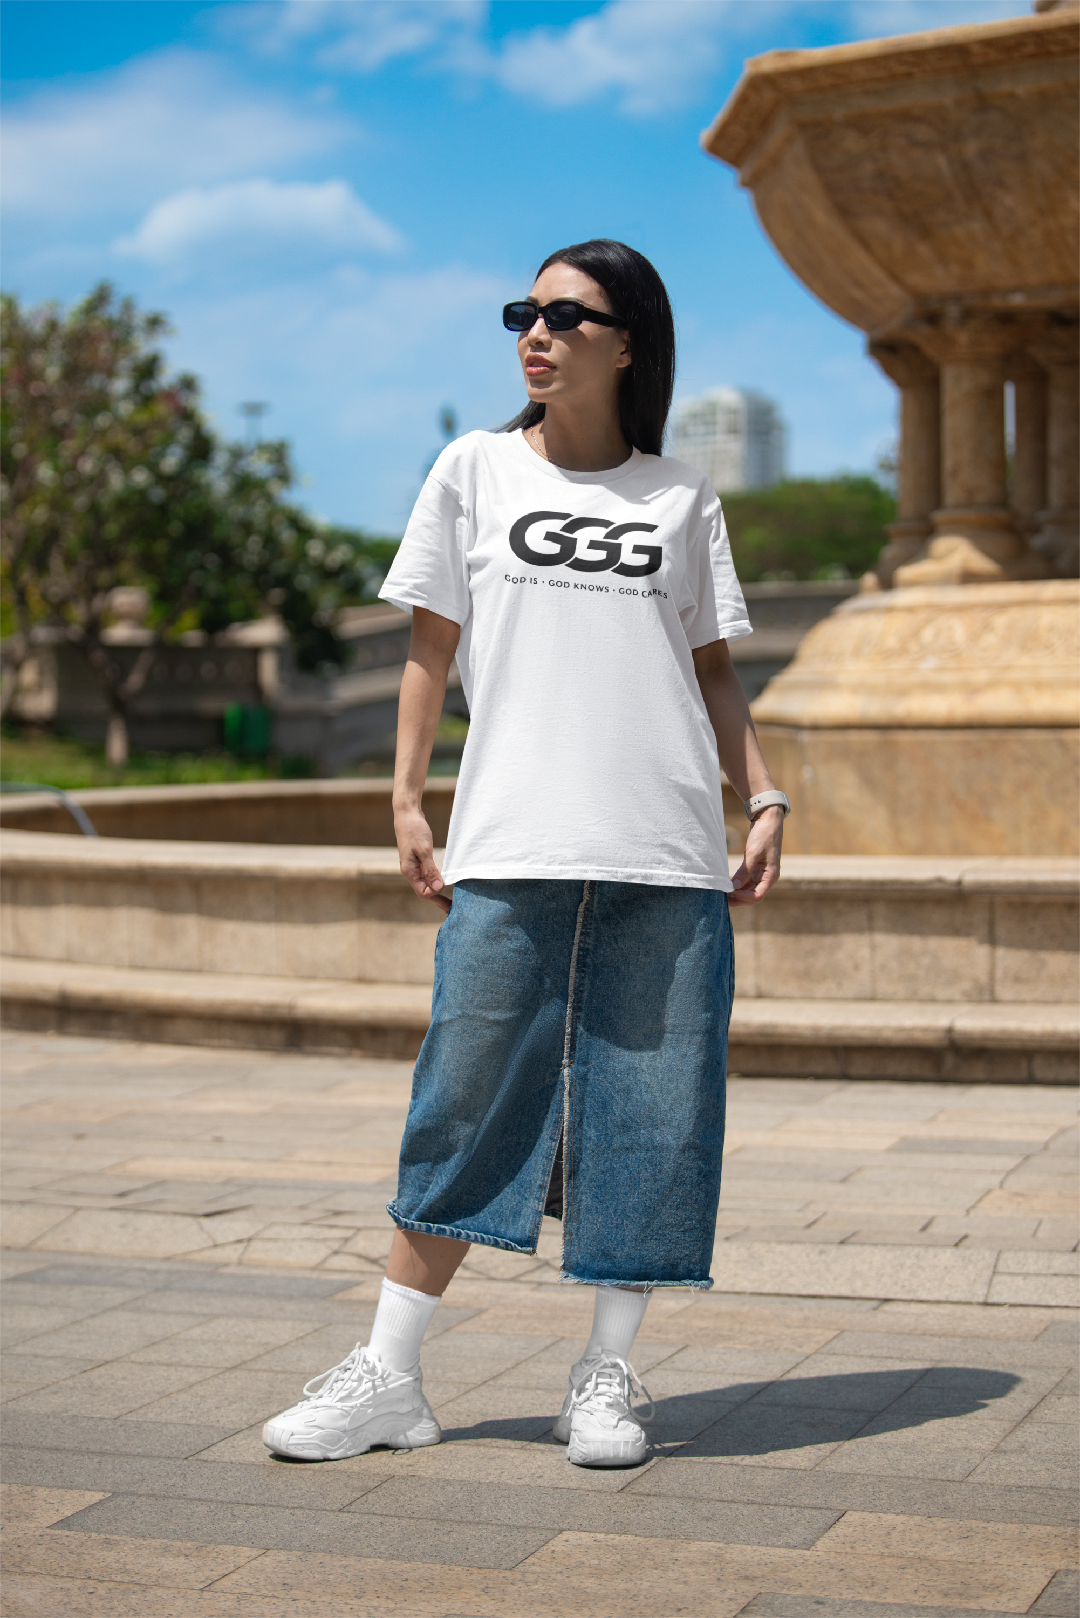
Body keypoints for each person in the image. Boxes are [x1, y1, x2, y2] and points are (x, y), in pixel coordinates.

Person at [263, 238, 788, 1470]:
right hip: (510, 839)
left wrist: (762, 793)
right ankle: (389, 1375)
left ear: (629, 343)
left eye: (565, 314)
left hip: (666, 849)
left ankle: (605, 1376)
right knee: (461, 1094)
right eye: (524, 313)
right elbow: (428, 649)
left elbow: (713, 671)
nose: (535, 334)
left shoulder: (683, 497)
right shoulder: (474, 469)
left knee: (655, 1112)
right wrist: (407, 798)